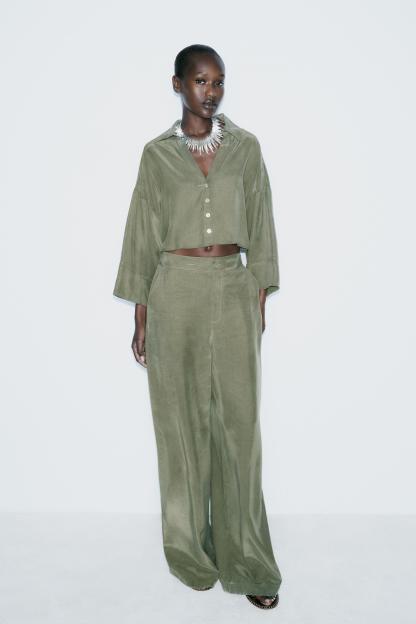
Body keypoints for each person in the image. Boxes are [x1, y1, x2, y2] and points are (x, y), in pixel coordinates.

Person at [113, 44, 282, 610]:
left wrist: (258, 295)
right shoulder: (156, 156)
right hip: (174, 291)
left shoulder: (246, 148)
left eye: (219, 82)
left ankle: (248, 558)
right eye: (201, 81)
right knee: (179, 425)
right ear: (178, 84)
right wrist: (141, 311)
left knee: (240, 428)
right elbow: (141, 229)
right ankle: (190, 553)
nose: (211, 92)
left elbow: (263, 221)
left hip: (232, 287)